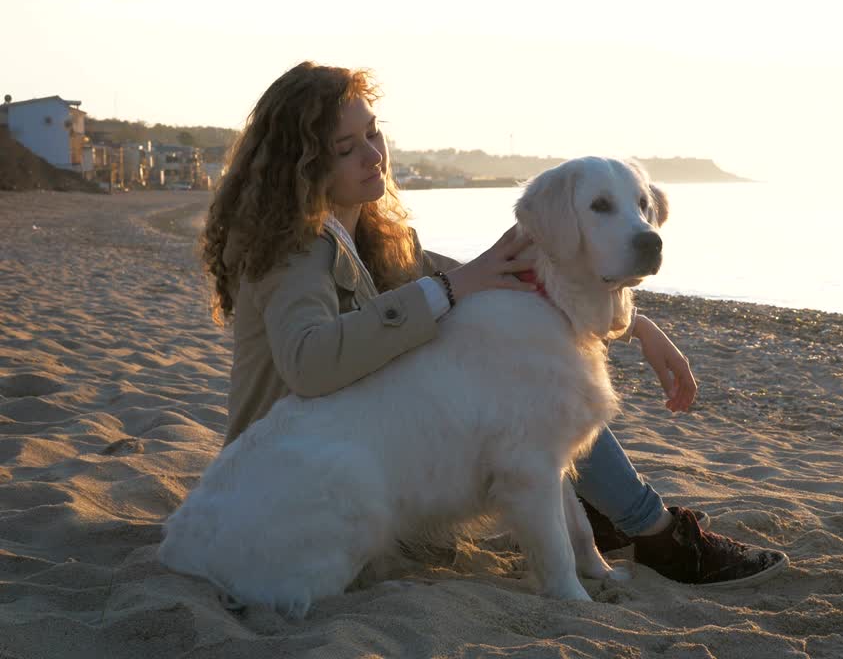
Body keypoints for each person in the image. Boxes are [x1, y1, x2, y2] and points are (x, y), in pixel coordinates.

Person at [199, 61, 788, 588]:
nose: (373, 154)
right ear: (304, 162)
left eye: (373, 133)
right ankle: (647, 531)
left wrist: (637, 326)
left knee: (537, 367)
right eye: (345, 146)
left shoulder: (377, 234)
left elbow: (522, 288)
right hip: (301, 479)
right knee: (540, 385)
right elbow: (309, 362)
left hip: (381, 450)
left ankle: (614, 525)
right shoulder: (294, 247)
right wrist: (453, 287)